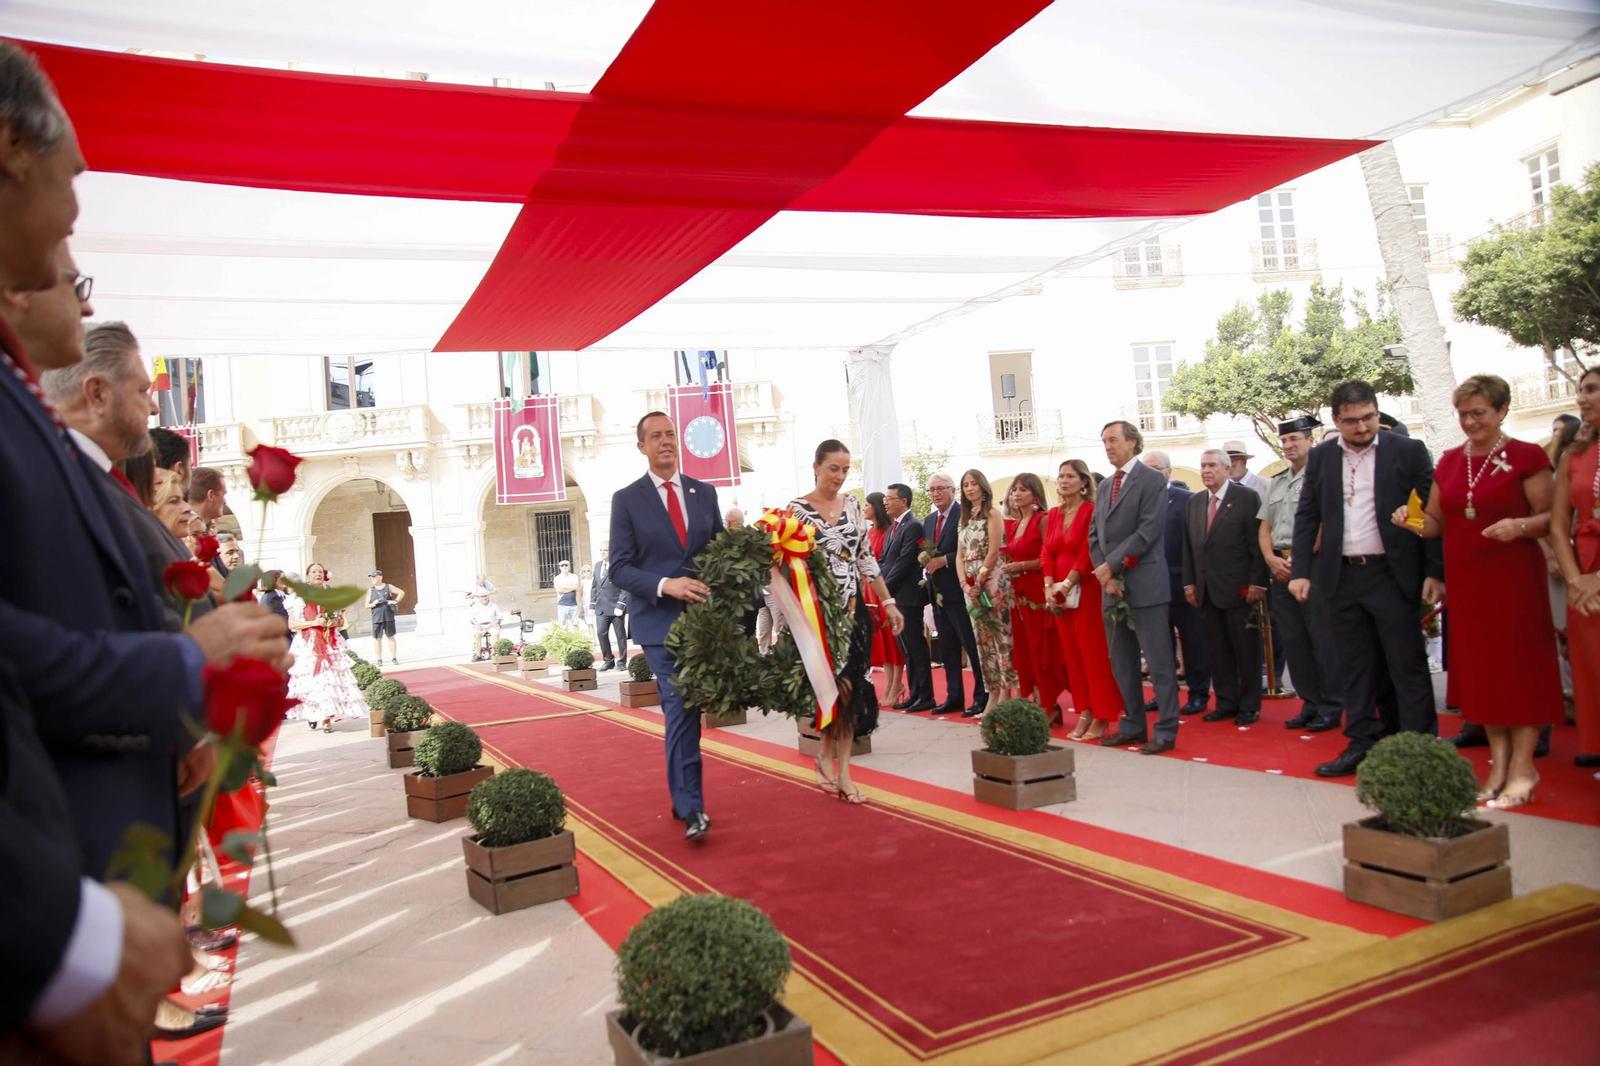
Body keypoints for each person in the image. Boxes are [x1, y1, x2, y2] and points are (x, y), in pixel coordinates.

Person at [1388, 375, 1563, 808]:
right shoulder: (1448, 461)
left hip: (1514, 579)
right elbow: (1434, 523)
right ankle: (1499, 765)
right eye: (1463, 414)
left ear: (1502, 410)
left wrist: (1518, 526)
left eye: (1478, 413)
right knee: (1485, 677)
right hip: (1468, 583)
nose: (1470, 422)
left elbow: (1552, 517)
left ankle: (1524, 767)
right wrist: (1406, 519)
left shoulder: (1527, 456)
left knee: (1519, 673)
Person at [1291, 380, 1444, 777]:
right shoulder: (1322, 457)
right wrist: (1302, 572)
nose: (1362, 427)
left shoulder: (1407, 451)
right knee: (1353, 666)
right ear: (1336, 420)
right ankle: (1361, 742)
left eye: (1369, 418)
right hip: (1340, 577)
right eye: (1352, 421)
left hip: (1391, 574)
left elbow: (1432, 514)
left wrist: (1434, 572)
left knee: (1405, 664)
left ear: (1378, 412)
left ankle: (1420, 750)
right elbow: (1308, 515)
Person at [40, 322, 216, 631]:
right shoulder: (57, 487)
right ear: (97, 394)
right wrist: (195, 647)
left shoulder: (95, 479)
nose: (152, 408)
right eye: (141, 391)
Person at [609, 411, 721, 841]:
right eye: (655, 436)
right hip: (658, 626)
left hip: (702, 626)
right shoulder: (628, 499)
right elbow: (619, 568)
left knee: (691, 710)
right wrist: (665, 584)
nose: (665, 441)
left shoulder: (703, 494)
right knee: (680, 708)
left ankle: (683, 798)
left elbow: (717, 555)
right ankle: (693, 807)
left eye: (670, 434)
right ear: (642, 447)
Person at [790, 441, 903, 803]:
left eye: (844, 469)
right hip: (818, 616)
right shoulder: (795, 512)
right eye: (833, 468)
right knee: (830, 689)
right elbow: (785, 569)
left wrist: (888, 601)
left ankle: (844, 772)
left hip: (853, 611)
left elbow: (865, 558)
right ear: (816, 467)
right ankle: (826, 756)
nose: (839, 476)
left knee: (852, 689)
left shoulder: (854, 505)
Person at [1089, 420, 1182, 754]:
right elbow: (1094, 534)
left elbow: (1147, 531)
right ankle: (1132, 724)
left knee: (1158, 663)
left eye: (1113, 439)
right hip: (1110, 587)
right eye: (1104, 441)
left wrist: (1110, 565)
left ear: (1132, 442)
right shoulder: (1104, 486)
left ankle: (1167, 729)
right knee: (1122, 663)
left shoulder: (1152, 480)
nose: (1107, 446)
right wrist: (1105, 572)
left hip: (1144, 585)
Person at [1258, 416, 1343, 731]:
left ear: (1310, 440)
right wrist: (1270, 559)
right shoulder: (1277, 482)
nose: (1289, 445)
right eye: (1284, 441)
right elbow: (1264, 526)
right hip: (1280, 568)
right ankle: (1310, 703)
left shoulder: (1321, 476)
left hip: (1312, 566)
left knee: (1321, 637)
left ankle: (1333, 705)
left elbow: (1323, 524)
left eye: (1295, 439)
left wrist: (1301, 561)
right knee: (1294, 639)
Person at [1183, 448, 1269, 725]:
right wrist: (1190, 583)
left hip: (1239, 589)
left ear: (1227, 469)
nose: (1206, 471)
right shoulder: (1195, 502)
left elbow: (1256, 545)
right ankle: (1226, 701)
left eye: (1212, 466)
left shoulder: (1245, 498)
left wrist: (1257, 582)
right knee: (1217, 651)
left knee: (1245, 650)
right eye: (1203, 465)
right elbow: (1189, 547)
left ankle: (1249, 705)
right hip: (1206, 590)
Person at [1043, 459, 1122, 741]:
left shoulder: (1091, 511)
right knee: (1073, 656)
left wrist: (1067, 583)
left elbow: (1089, 550)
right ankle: (1085, 710)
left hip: (1085, 589)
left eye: (1070, 476)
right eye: (1060, 477)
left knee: (1093, 653)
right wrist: (1049, 585)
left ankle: (1103, 715)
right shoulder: (1053, 514)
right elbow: (1047, 553)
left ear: (1084, 482)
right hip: (1058, 594)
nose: (1063, 481)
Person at [1547, 366, 1600, 769]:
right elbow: (1558, 522)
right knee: (1589, 662)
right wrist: (1576, 577)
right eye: (1581, 390)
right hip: (1583, 571)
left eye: (1593, 390)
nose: (1582, 398)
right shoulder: (1574, 456)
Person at [1142, 450, 1210, 715]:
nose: (1152, 475)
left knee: (1193, 642)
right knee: (1159, 646)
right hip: (1150, 585)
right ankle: (1163, 694)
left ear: (1169, 472)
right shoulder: (1140, 502)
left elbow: (1196, 543)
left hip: (1182, 583)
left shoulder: (1187, 500)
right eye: (1147, 471)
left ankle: (1199, 693)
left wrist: (1192, 580)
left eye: (1157, 470)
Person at [1001, 473, 1067, 718]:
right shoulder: (1016, 523)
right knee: (1025, 650)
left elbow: (1048, 557)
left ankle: (1048, 704)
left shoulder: (1042, 520)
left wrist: (1022, 566)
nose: (1016, 494)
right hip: (1017, 593)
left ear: (1035, 494)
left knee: (1041, 648)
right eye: (1014, 489)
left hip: (1037, 590)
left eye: (1023, 490)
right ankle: (1038, 700)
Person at [923, 472, 988, 715]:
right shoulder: (929, 520)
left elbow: (971, 550)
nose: (935, 494)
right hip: (938, 593)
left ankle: (981, 697)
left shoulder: (965, 515)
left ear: (952, 491)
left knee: (971, 647)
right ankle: (954, 697)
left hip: (962, 589)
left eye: (940, 488)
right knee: (948, 649)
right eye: (931, 490)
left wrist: (945, 560)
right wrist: (927, 560)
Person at [958, 468, 1017, 716]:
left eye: (974, 484)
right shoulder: (964, 518)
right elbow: (959, 555)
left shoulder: (992, 514)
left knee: (1001, 638)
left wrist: (980, 580)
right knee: (982, 640)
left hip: (991, 581)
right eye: (966, 485)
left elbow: (994, 551)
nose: (970, 488)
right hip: (970, 585)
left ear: (983, 487)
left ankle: (1005, 693)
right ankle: (991, 694)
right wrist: (965, 584)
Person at [285, 562, 365, 732]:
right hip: (308, 642)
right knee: (313, 680)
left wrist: (332, 621)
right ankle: (313, 712)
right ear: (307, 576)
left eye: (320, 571)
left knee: (329, 679)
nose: (317, 574)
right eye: (313, 572)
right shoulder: (298, 597)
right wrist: (314, 622)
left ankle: (327, 718)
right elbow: (292, 624)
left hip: (329, 641)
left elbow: (342, 621)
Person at [879, 482, 934, 711]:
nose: (885, 503)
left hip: (908, 595)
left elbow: (904, 562)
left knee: (915, 645)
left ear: (903, 501)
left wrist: (885, 587)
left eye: (889, 499)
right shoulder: (893, 527)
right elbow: (884, 560)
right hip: (895, 595)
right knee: (906, 647)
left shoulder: (912, 525)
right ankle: (914, 692)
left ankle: (926, 695)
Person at [864, 491, 907, 706]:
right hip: (870, 590)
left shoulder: (886, 531)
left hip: (885, 589)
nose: (864, 508)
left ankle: (897, 683)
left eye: (867, 504)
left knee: (893, 638)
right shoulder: (870, 531)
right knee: (883, 637)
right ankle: (890, 684)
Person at [592, 541, 629, 670]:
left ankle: (622, 661)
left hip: (615, 607)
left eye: (605, 550)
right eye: (601, 550)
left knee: (620, 636)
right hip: (601, 607)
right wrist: (592, 604)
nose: (603, 552)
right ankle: (608, 659)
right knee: (601, 633)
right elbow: (595, 586)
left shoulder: (617, 565)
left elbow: (625, 587)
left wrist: (621, 604)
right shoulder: (597, 566)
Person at [185, 466, 229, 575]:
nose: (225, 501)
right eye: (223, 494)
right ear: (210, 495)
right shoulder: (184, 535)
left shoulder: (207, 534)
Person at [365, 569, 404, 666]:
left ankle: (394, 657)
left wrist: (395, 601)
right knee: (377, 638)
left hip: (388, 616)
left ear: (380, 577)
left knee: (391, 637)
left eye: (374, 577)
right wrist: (373, 604)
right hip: (376, 617)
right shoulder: (371, 590)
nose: (372, 579)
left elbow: (401, 592)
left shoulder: (388, 587)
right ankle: (379, 658)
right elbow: (366, 605)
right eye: (372, 577)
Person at [468, 592, 503, 660]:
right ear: (479, 598)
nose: (484, 598)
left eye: (485, 596)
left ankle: (494, 653)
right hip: (480, 625)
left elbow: (499, 616)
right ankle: (478, 654)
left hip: (491, 624)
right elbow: (472, 618)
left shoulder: (494, 605)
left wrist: (495, 622)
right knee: (478, 635)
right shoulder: (475, 606)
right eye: (482, 597)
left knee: (496, 633)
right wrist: (476, 624)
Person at [553, 559, 581, 626]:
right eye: (562, 565)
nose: (564, 567)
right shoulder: (557, 578)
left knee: (575, 624)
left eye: (566, 565)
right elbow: (559, 590)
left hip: (573, 604)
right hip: (562, 604)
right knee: (561, 625)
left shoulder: (574, 576)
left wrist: (564, 588)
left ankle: (576, 637)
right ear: (560, 568)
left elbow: (577, 588)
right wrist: (572, 588)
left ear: (569, 566)